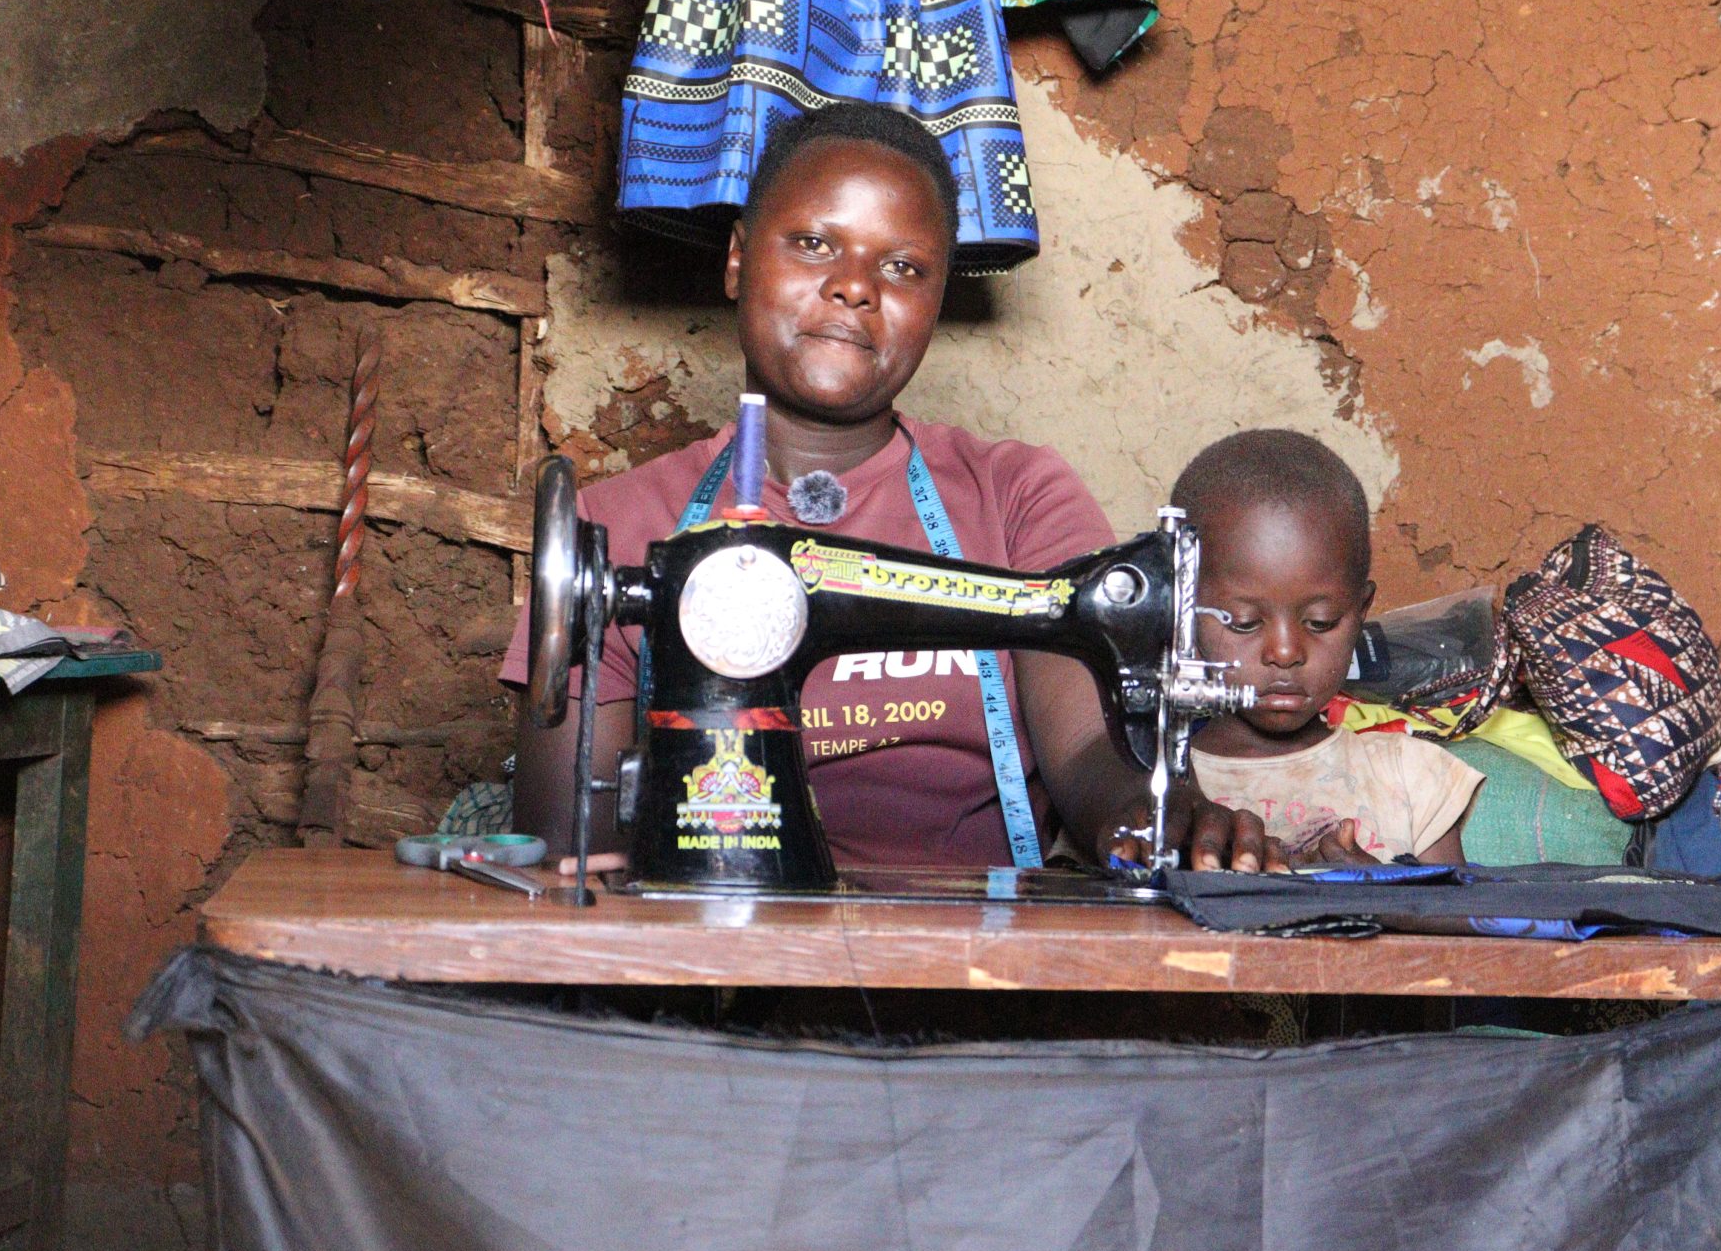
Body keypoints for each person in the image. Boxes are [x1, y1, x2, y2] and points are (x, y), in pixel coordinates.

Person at [506, 101, 1275, 872]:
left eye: (903, 267)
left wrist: (1154, 816)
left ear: (937, 300)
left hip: (977, 940)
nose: (854, 286)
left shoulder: (1018, 495)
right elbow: (568, 842)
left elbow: (1090, 757)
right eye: (813, 243)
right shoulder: (612, 530)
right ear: (738, 259)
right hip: (712, 937)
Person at [1173, 429, 1483, 865]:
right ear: (1182, 612)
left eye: (1320, 622)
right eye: (1244, 623)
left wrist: (1379, 887)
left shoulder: (1411, 778)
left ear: (1361, 611)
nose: (1285, 652)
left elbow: (1454, 908)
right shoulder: (1153, 788)